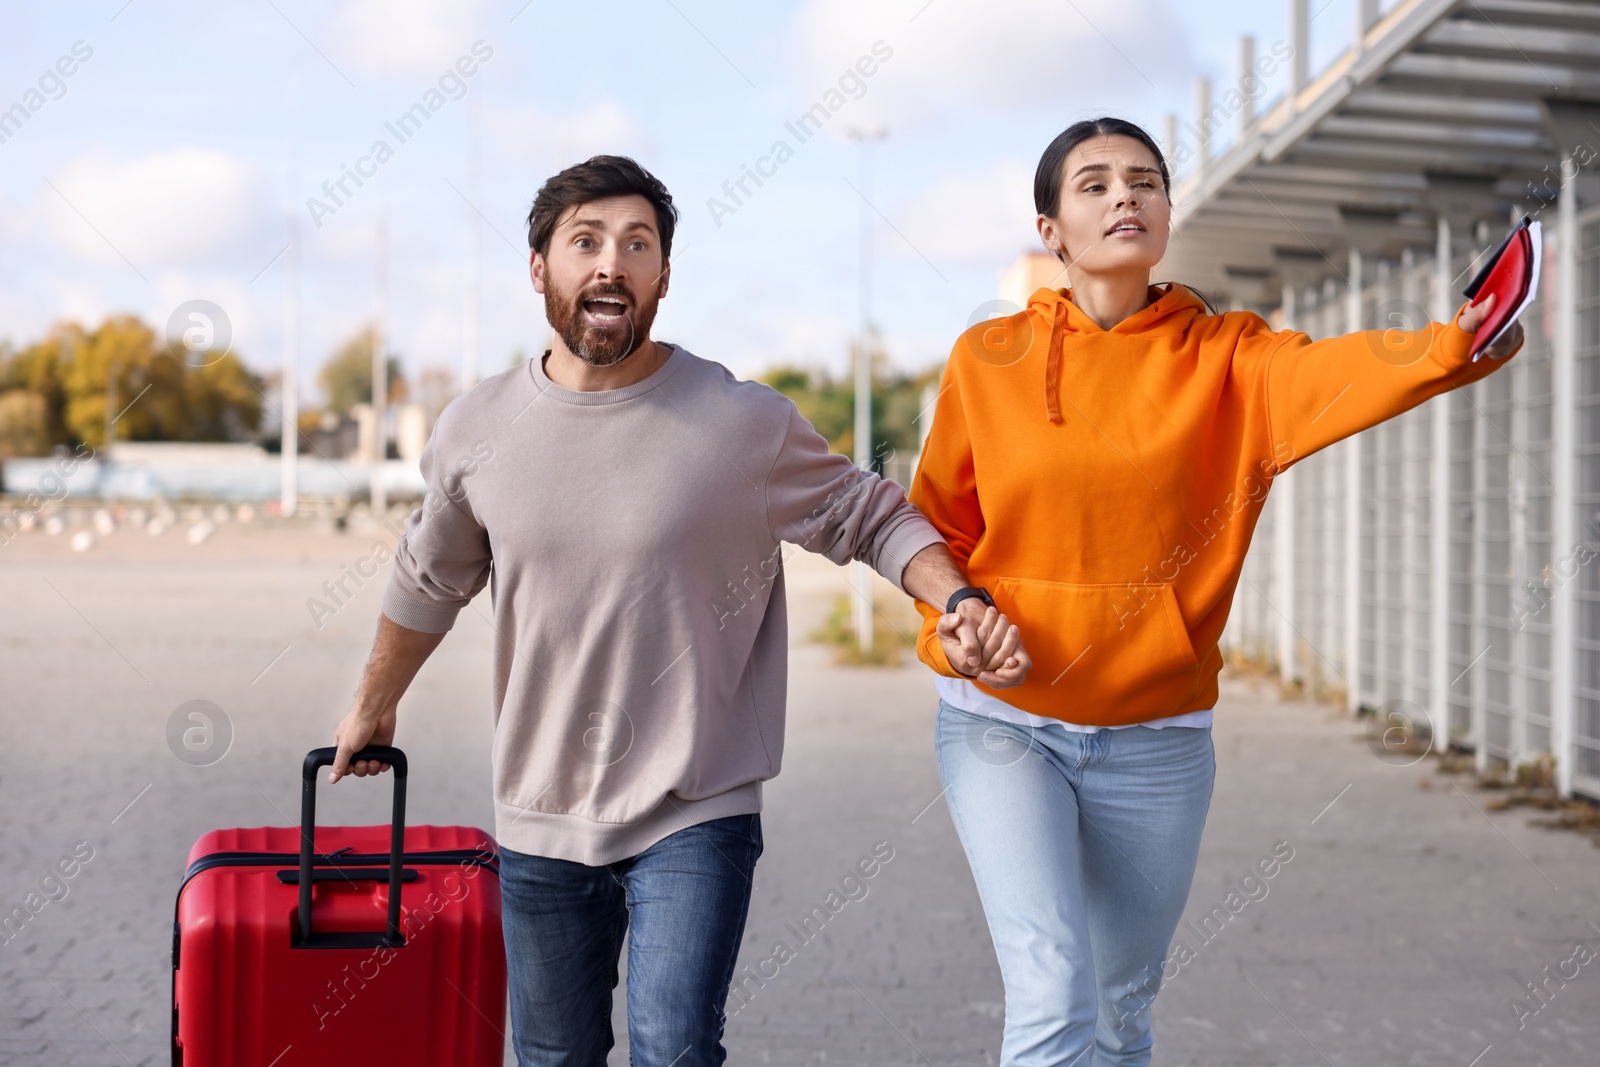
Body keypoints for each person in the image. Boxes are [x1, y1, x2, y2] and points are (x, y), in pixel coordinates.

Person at [324, 155, 1031, 1066]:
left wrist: (959, 598)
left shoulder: (738, 421)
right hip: (540, 807)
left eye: (637, 243)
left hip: (696, 804)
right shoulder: (477, 428)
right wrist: (375, 703)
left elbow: (869, 514)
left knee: (673, 1045)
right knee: (551, 1053)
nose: (611, 262)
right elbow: (428, 578)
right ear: (539, 268)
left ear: (662, 275)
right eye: (585, 242)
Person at [907, 116, 1524, 1067]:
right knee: (1052, 983)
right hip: (1002, 719)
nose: (1126, 196)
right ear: (1051, 229)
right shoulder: (986, 358)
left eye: (1145, 180)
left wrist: (1450, 344)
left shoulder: (1231, 358)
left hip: (1157, 738)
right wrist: (955, 624)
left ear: (1165, 212)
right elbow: (936, 529)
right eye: (1097, 183)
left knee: (1120, 1006)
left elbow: (1339, 371)